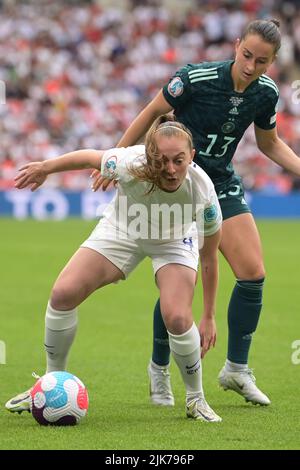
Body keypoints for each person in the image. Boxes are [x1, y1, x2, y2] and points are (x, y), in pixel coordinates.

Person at [94, 19, 300, 407]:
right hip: (178, 185)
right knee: (179, 279)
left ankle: (236, 369)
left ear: (272, 63)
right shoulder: (196, 78)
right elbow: (151, 112)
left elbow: (270, 143)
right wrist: (115, 159)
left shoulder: (266, 93)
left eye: (261, 61)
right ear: (236, 45)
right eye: (246, 55)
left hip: (220, 182)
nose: (251, 65)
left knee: (253, 274)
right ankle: (158, 369)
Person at [5, 116, 223, 422]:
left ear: (192, 157)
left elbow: (211, 256)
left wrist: (209, 315)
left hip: (174, 240)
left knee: (176, 316)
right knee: (63, 293)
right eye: (161, 161)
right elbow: (89, 157)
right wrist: (45, 167)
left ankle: (195, 399)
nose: (170, 169)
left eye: (178, 160)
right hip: (123, 229)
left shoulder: (204, 192)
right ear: (149, 157)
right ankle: (50, 383)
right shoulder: (129, 162)